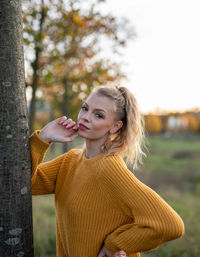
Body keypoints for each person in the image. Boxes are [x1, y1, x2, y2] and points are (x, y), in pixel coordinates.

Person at [30, 86, 184, 257]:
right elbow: (25, 185)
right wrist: (42, 138)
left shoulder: (110, 168)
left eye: (98, 115)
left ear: (115, 126)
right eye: (85, 108)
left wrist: (114, 245)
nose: (85, 117)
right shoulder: (70, 161)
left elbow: (170, 225)